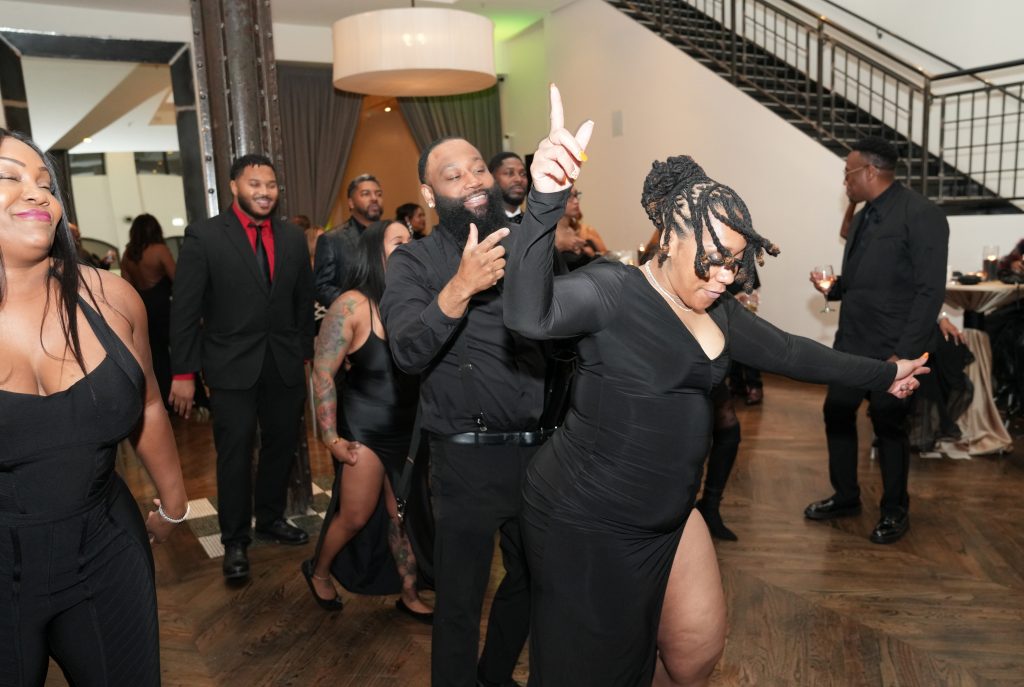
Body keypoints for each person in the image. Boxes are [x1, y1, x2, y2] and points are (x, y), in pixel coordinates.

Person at [502, 85, 929, 686]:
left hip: (671, 512)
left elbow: (791, 351)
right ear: (669, 238)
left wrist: (885, 373)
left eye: (736, 261)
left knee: (694, 651)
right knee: (592, 669)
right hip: (587, 517)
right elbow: (528, 315)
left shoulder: (717, 307)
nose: (727, 275)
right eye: (715, 258)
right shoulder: (611, 289)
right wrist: (545, 200)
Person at [0, 128, 188, 684]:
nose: (37, 192)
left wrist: (174, 503)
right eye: (9, 177)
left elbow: (148, 403)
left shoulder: (111, 297)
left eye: (45, 182)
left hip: (107, 548)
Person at [381, 137, 545, 687]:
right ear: (430, 194)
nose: (472, 180)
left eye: (478, 169)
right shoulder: (413, 261)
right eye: (454, 175)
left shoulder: (525, 245)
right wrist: (461, 287)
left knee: (535, 581)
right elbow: (407, 350)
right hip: (464, 461)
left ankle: (494, 675)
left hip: (541, 453)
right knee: (458, 602)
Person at [169, 153, 314, 582]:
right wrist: (183, 373)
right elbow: (185, 311)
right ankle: (234, 540)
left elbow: (303, 302)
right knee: (234, 453)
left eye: (270, 185)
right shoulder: (205, 236)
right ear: (234, 187)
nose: (264, 192)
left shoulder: (292, 238)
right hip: (230, 366)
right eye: (255, 184)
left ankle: (270, 518)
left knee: (281, 444)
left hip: (284, 364)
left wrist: (304, 354)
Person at [806, 137, 949, 545]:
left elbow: (929, 293)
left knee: (888, 425)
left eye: (847, 173)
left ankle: (895, 509)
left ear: (870, 171)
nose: (845, 182)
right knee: (837, 412)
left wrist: (903, 356)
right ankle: (846, 496)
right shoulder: (863, 217)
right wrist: (834, 288)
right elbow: (862, 280)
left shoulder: (922, 215)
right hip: (852, 343)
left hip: (894, 348)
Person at [302, 219, 432, 623]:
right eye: (398, 241)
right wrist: (331, 437)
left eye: (412, 239)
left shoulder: (416, 300)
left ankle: (408, 592)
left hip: (408, 428)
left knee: (400, 514)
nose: (409, 245)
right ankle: (319, 570)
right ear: (376, 251)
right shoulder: (351, 305)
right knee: (356, 515)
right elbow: (323, 373)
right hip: (366, 427)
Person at [121, 213, 176, 405]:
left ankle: (164, 399)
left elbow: (126, 287)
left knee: (156, 356)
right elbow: (177, 279)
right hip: (164, 307)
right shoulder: (160, 250)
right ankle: (192, 398)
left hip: (142, 308)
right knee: (179, 350)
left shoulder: (128, 255)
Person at [313, 173, 383, 307]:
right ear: (351, 203)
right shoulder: (332, 239)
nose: (374, 198)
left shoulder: (389, 235)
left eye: (378, 194)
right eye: (366, 194)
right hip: (354, 315)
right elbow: (322, 288)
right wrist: (359, 306)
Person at [489, 151, 529, 223]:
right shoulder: (480, 224)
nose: (519, 179)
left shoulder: (535, 223)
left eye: (523, 174)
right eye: (509, 173)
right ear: (492, 179)